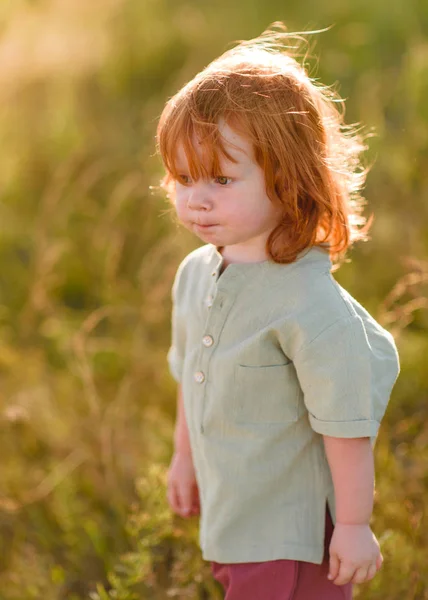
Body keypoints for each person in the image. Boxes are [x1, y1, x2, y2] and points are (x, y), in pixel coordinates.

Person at [157, 22, 400, 600]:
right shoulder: (197, 274)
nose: (197, 197)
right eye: (184, 177)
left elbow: (345, 427)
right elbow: (192, 379)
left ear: (287, 180)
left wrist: (354, 525)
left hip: (291, 541)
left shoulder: (309, 303)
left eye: (221, 177)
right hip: (232, 517)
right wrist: (182, 461)